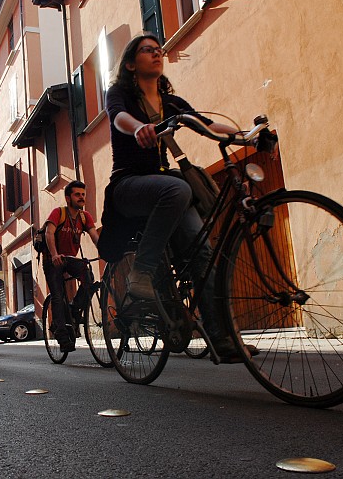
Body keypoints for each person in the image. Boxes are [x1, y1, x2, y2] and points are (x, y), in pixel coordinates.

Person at [100, 34, 257, 362]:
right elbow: (118, 118)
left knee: (203, 253)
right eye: (147, 50)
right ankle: (141, 271)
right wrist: (140, 127)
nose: (157, 53)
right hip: (129, 186)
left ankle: (223, 338)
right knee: (179, 188)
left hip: (166, 190)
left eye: (159, 50)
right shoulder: (120, 94)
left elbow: (207, 124)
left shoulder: (171, 103)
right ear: (131, 63)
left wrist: (247, 136)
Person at [42, 180, 99, 352]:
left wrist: (105, 251)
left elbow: (95, 236)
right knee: (58, 296)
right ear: (68, 198)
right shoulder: (58, 213)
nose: (81, 198)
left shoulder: (84, 217)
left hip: (70, 259)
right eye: (77, 194)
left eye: (83, 194)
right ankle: (61, 334)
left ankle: (75, 309)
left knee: (88, 277)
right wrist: (54, 255)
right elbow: (48, 233)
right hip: (52, 260)